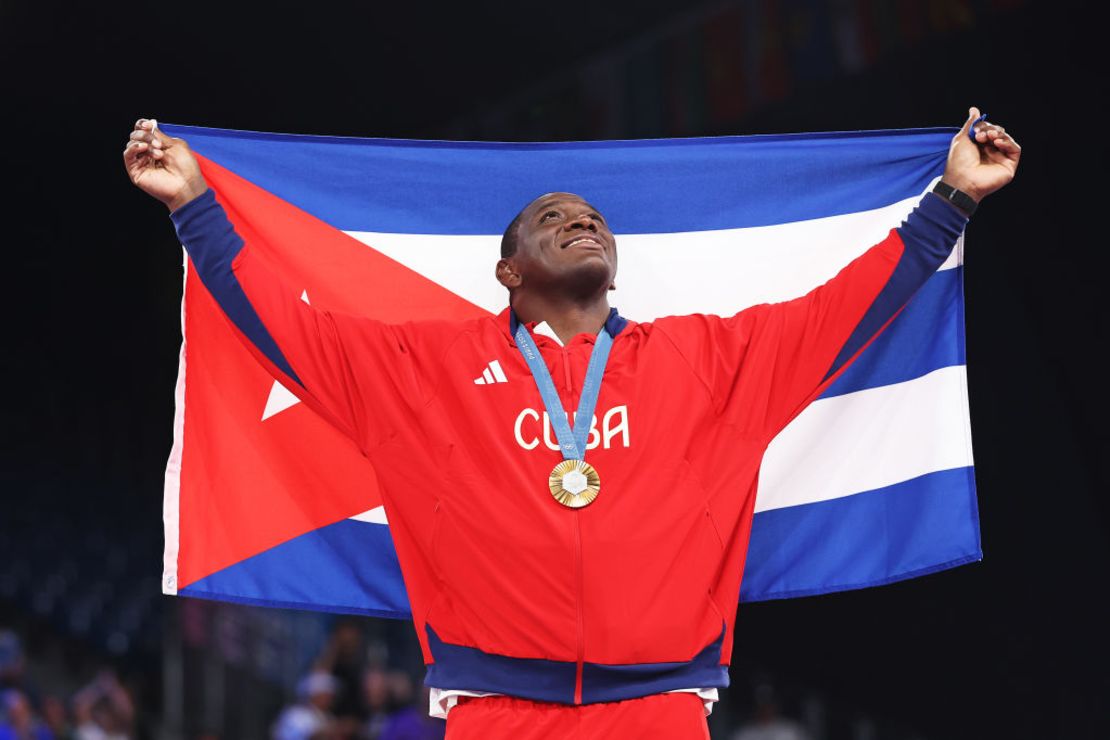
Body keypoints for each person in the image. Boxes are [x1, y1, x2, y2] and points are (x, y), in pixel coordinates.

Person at [124, 108, 1019, 739]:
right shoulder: (422, 372)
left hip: (663, 709)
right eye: (552, 221)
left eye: (591, 219)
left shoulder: (707, 361)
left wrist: (953, 201)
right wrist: (195, 209)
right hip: (494, 710)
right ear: (509, 272)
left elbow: (844, 312)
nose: (580, 221)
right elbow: (290, 329)